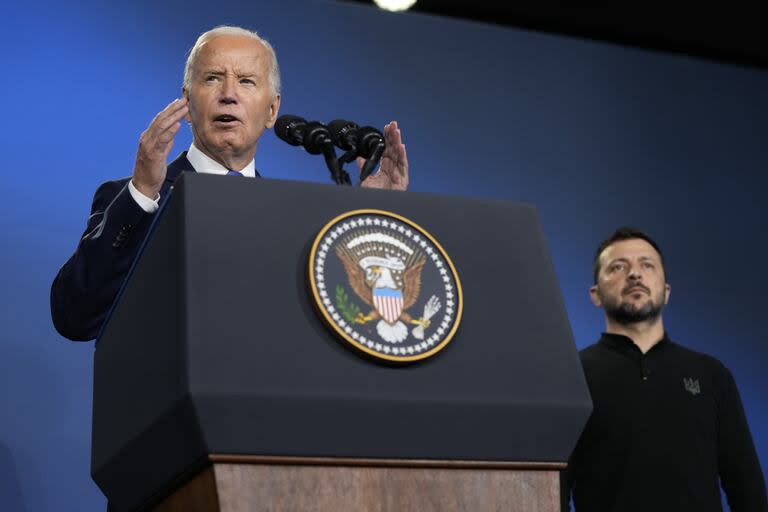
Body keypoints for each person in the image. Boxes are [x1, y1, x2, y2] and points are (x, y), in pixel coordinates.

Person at [50, 26, 409, 342]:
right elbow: (75, 317)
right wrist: (143, 192)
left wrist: (374, 224)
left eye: (247, 81)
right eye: (212, 78)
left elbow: (344, 322)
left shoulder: (294, 217)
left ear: (272, 111)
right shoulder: (133, 200)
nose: (228, 94)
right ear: (188, 102)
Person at [565, 227, 767, 511]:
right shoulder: (571, 376)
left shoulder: (712, 375)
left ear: (666, 291)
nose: (634, 274)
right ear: (595, 294)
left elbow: (746, 486)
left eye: (647, 265)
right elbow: (555, 487)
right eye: (618, 267)